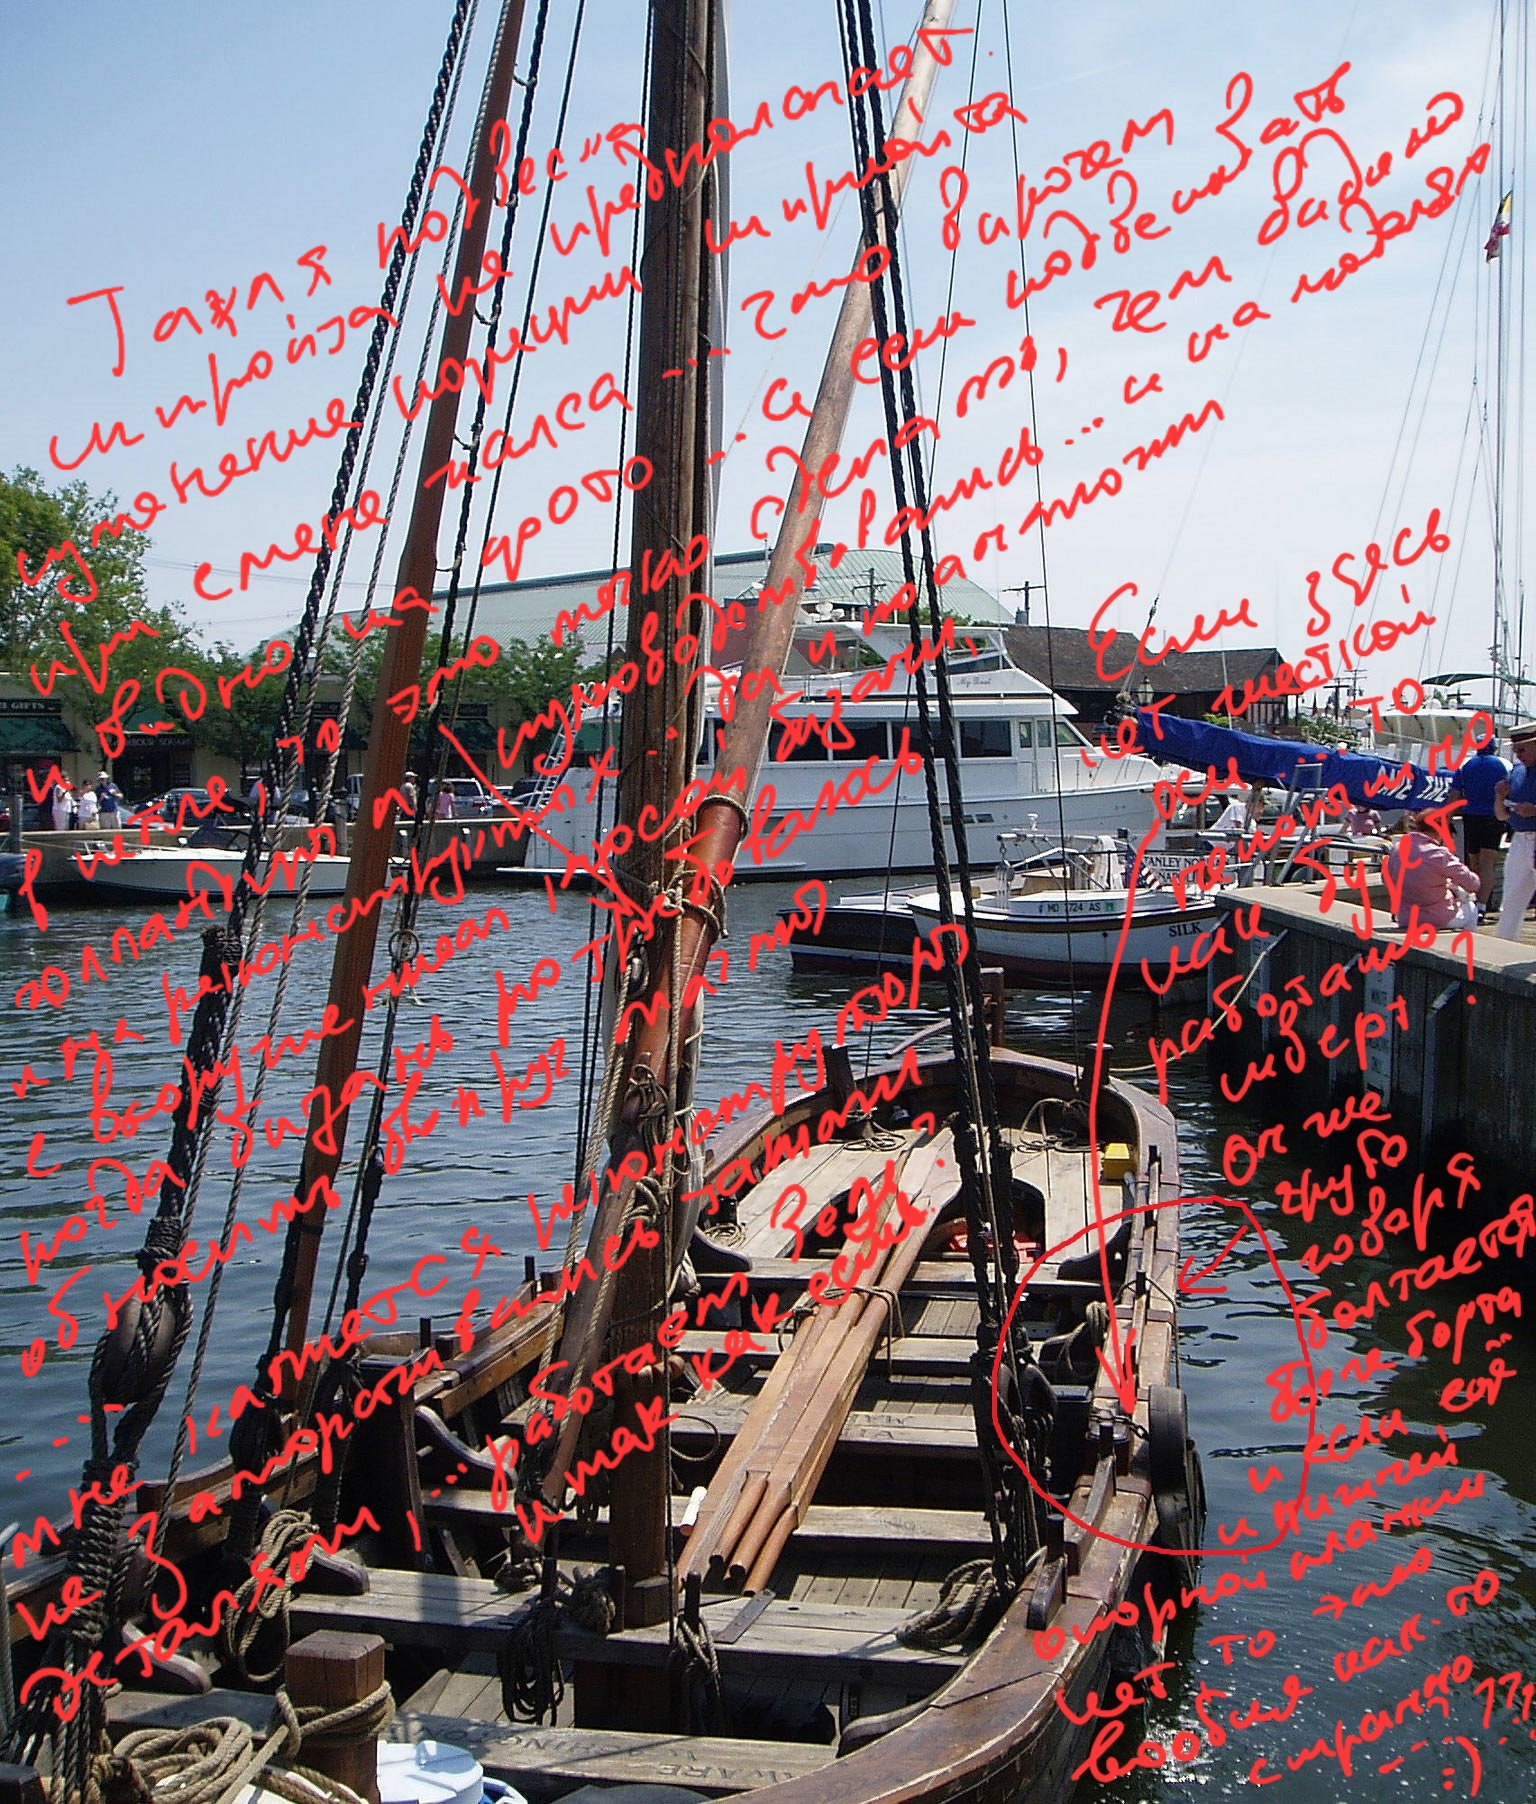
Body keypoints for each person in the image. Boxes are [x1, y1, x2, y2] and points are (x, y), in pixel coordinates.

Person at [1382, 812, 1480, 931]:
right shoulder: (1438, 854)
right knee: (1471, 908)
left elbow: (1386, 879)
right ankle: (1468, 941)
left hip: (1406, 918)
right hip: (1438, 918)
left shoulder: (1397, 848)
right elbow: (1473, 884)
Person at [1452, 733, 1509, 912]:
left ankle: (1473, 902)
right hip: (1494, 816)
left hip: (1471, 816)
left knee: (1473, 862)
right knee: (1488, 863)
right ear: (1494, 747)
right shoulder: (1504, 764)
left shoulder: (1465, 765)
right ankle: (1482, 906)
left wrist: (1447, 817)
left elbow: (1455, 794)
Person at [1494, 721, 1536, 940]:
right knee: (1511, 898)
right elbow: (1502, 815)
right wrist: (1499, 797)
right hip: (1520, 839)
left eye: (1522, 750)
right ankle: (1504, 944)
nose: (1518, 755)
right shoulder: (1516, 772)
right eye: (1516, 750)